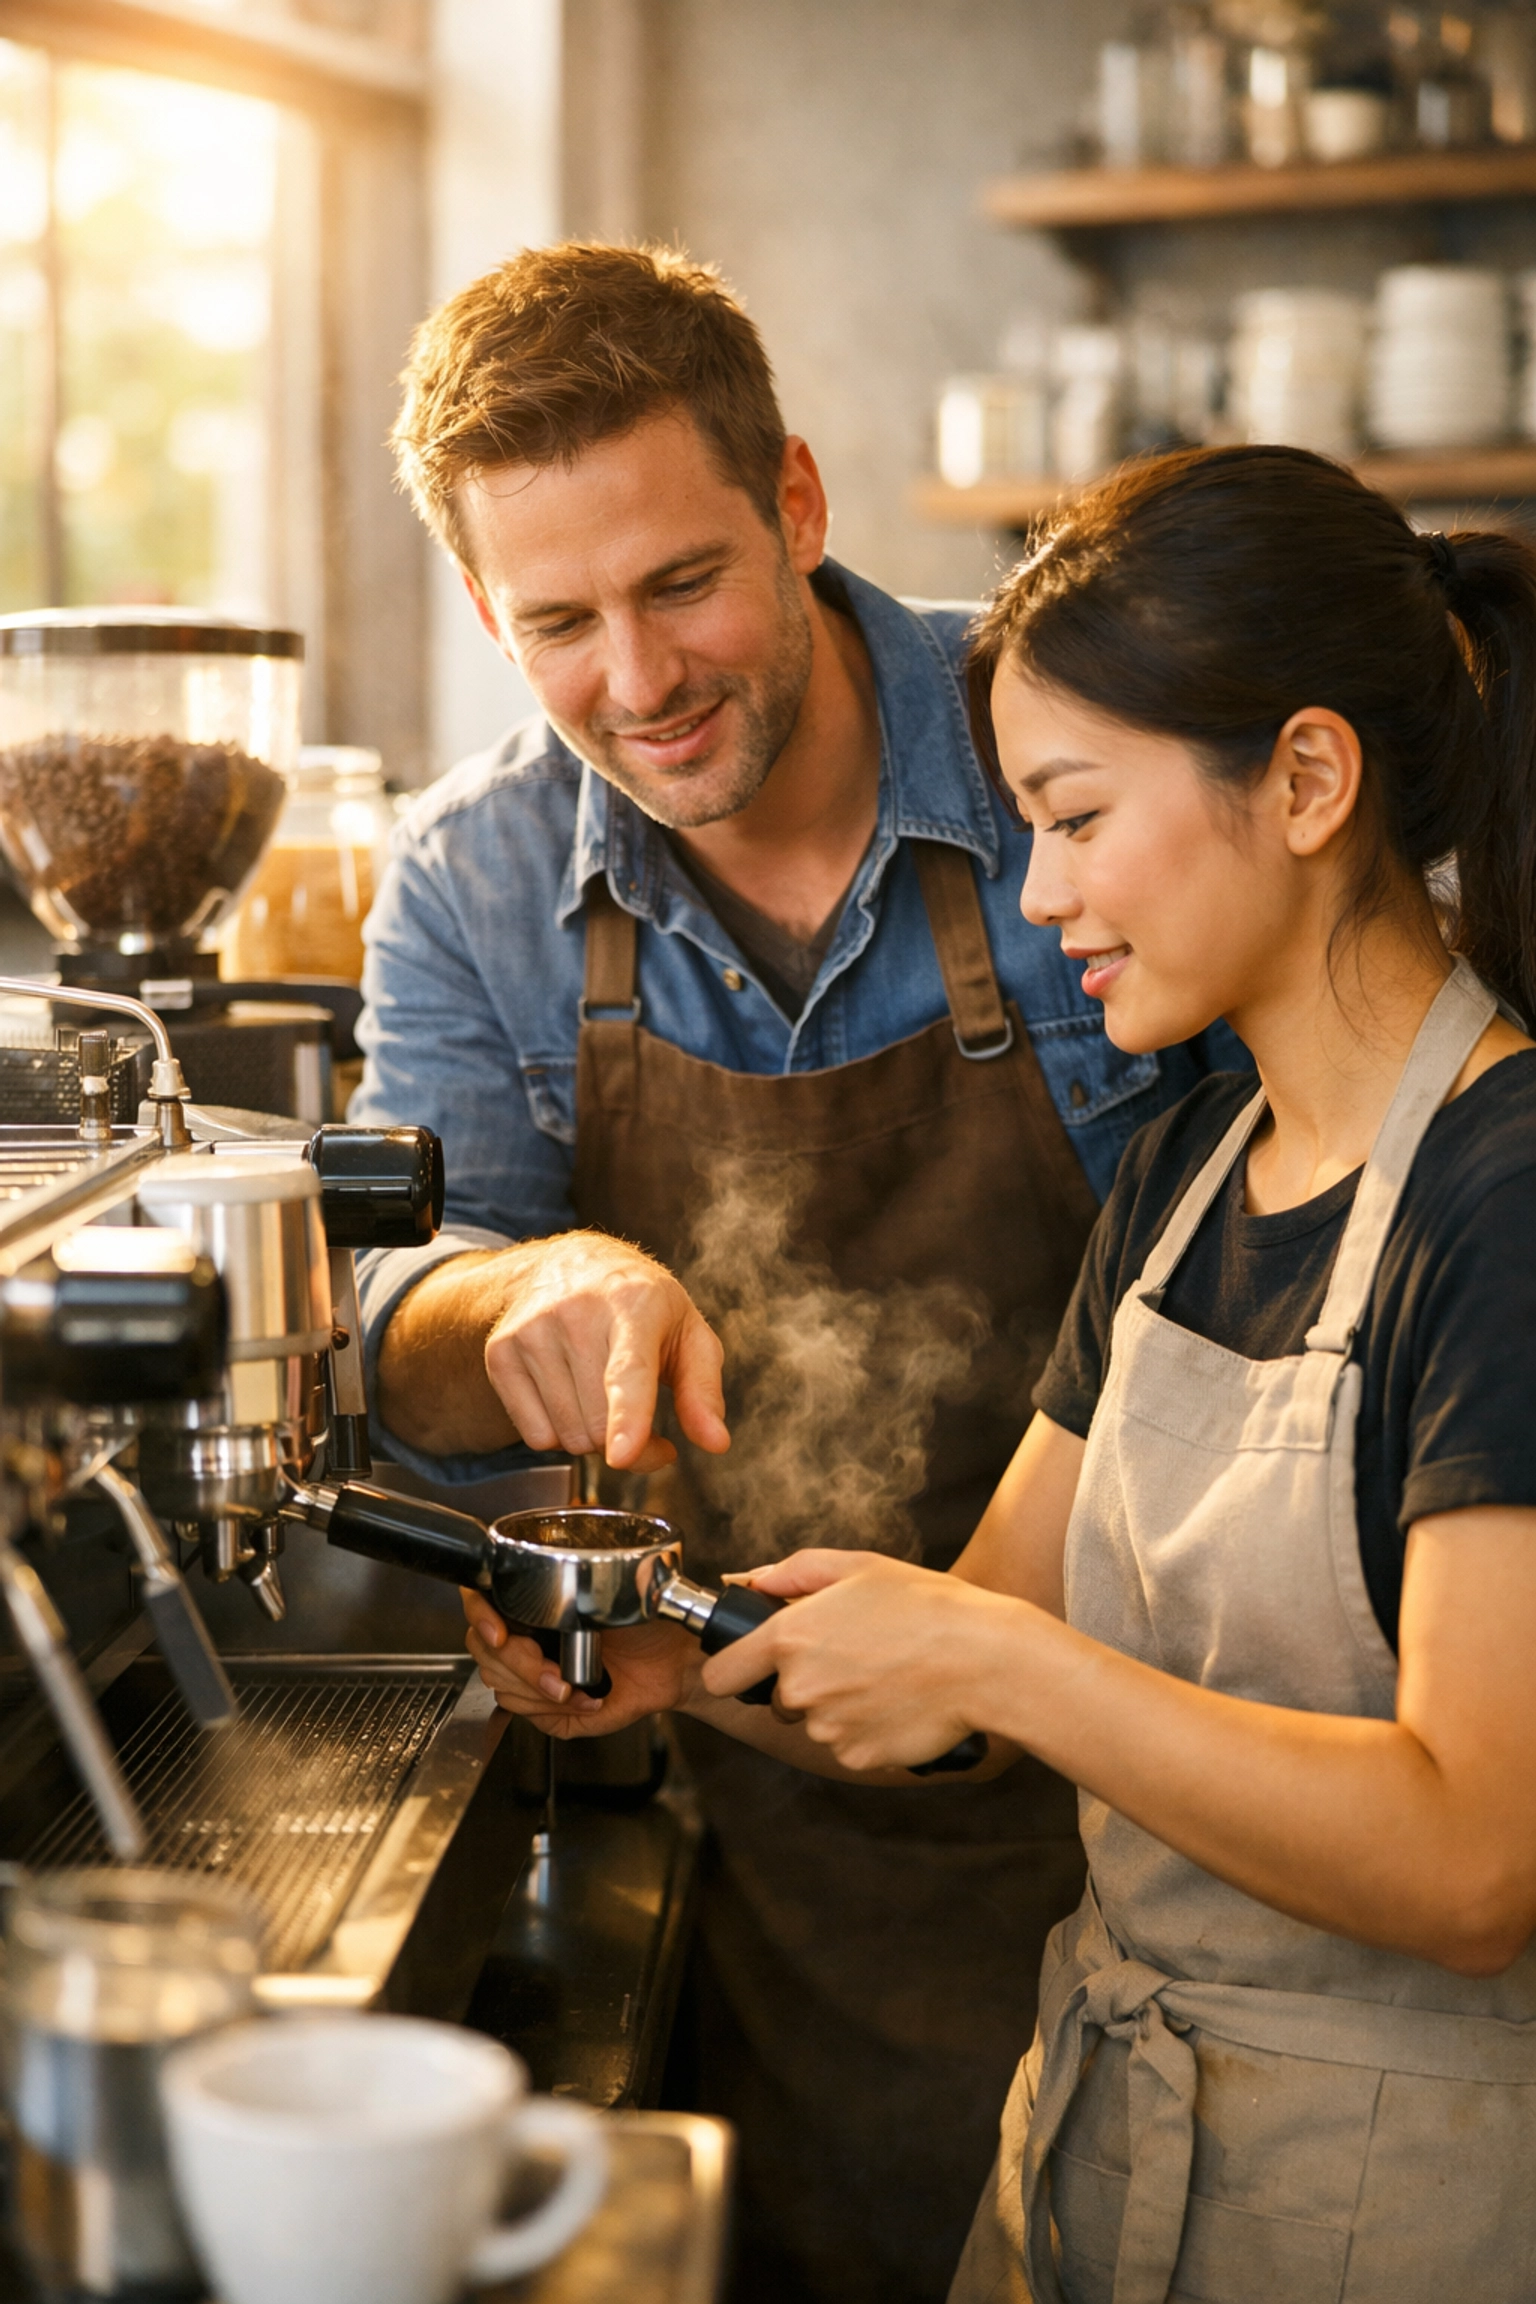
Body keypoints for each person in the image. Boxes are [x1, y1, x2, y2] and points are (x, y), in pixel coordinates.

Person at [550, 442, 1536, 2302]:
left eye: (1075, 815)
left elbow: (1479, 1857)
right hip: (1104, 2161)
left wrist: (1003, 1659)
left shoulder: (1502, 1197)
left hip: (1393, 2211)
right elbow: (971, 1642)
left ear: (1309, 779)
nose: (1039, 886)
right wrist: (676, 1649)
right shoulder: (1188, 1175)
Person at [355, 243, 1240, 2304]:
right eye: (558, 622)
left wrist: (1029, 1661)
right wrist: (532, 1288)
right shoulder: (475, 882)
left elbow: (1296, 1254)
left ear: (804, 506)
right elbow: (400, 1315)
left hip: (1194, 1778)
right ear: (488, 613)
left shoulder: (1075, 752)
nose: (638, 679)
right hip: (786, 1826)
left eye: (683, 583)